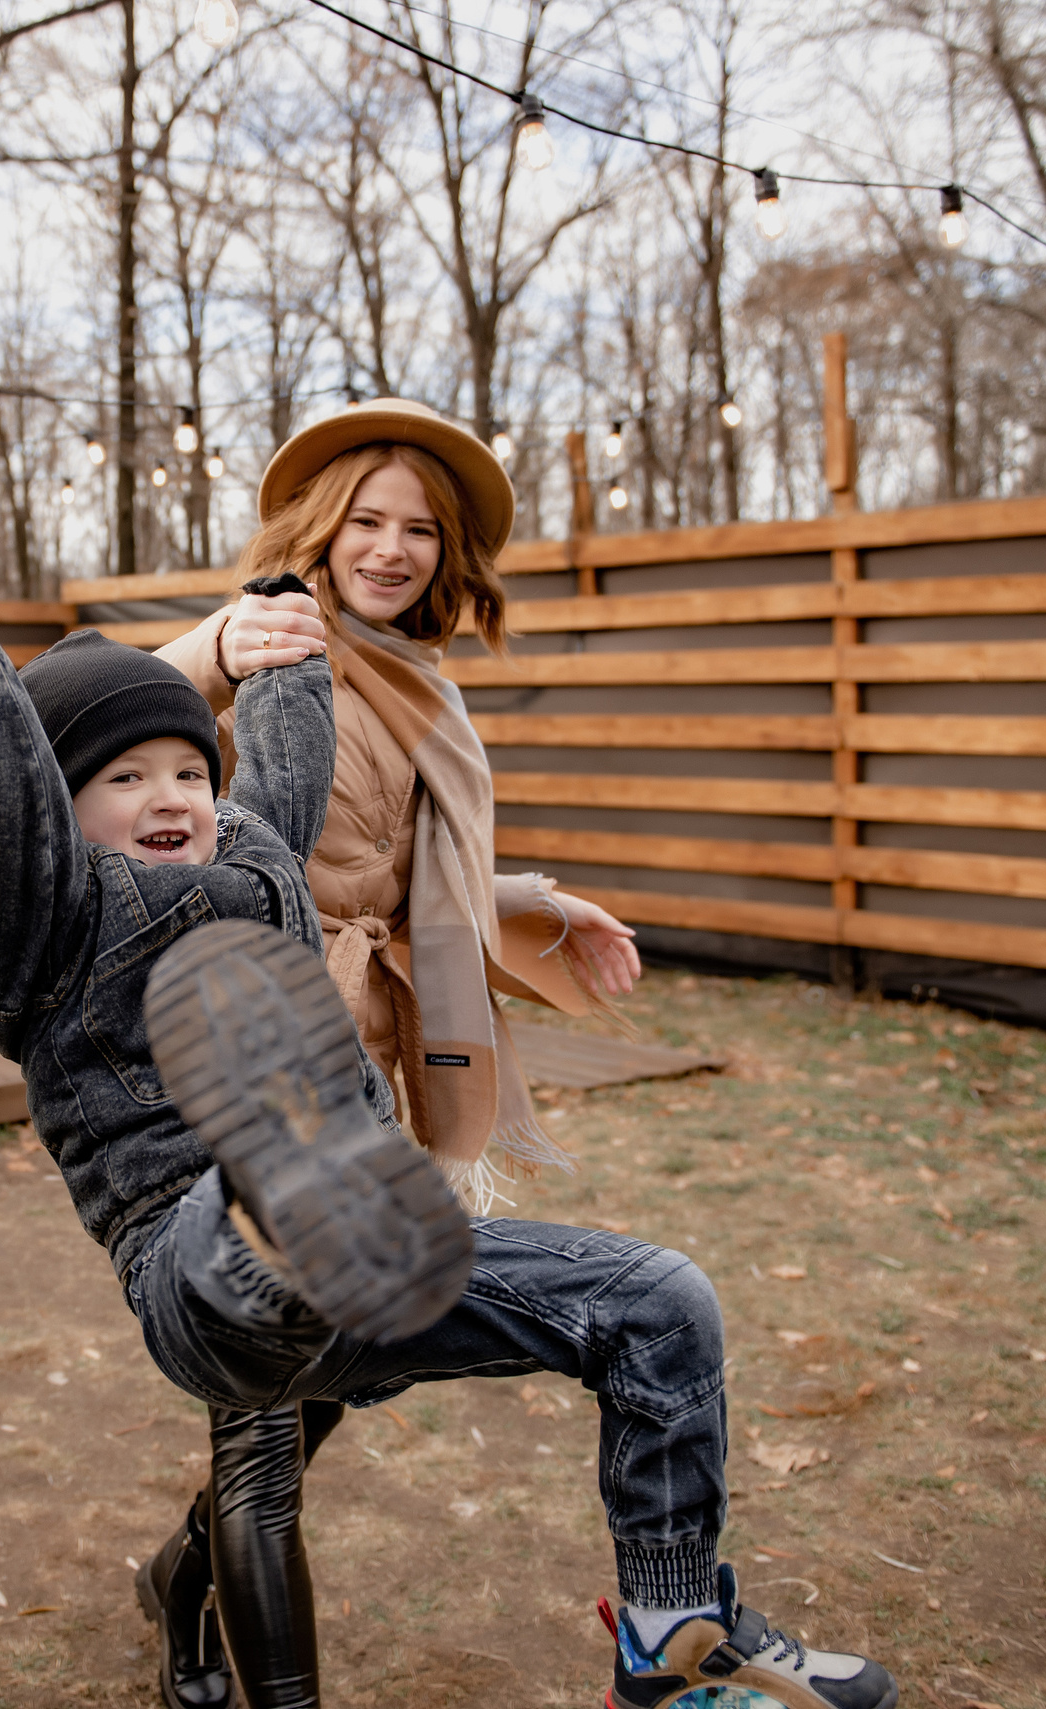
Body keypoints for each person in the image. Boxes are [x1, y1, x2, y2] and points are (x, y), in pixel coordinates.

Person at [0, 468, 899, 1709]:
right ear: (60, 813)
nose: (170, 794)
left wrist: (291, 642)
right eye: (123, 779)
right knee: (275, 1267)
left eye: (187, 769)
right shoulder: (40, 917)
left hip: (374, 1248)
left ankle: (669, 1631)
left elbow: (296, 762)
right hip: (202, 1263)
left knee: (662, 1301)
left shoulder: (260, 850)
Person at [140, 398, 649, 1708]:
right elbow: (110, 711)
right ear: (320, 528)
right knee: (262, 1426)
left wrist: (546, 903)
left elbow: (421, 878)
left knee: (334, 1367)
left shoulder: (421, 677)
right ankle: (213, 1636)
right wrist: (215, 644)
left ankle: (178, 1572)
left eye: (417, 528)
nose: (389, 547)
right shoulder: (274, 638)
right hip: (260, 1050)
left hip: (382, 1061)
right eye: (365, 520)